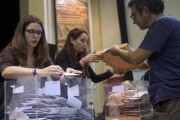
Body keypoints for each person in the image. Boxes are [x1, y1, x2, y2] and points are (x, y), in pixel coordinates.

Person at [106, 0, 180, 119]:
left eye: (133, 16)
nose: (134, 21)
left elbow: (135, 58)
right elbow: (168, 60)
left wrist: (116, 51)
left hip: (171, 98)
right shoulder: (171, 23)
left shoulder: (162, 23)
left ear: (146, 11)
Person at [0, 15, 81, 120]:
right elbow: (6, 71)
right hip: (12, 112)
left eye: (39, 32)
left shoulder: (43, 56)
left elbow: (58, 78)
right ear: (22, 33)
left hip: (35, 111)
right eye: (31, 31)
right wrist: (37, 71)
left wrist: (67, 75)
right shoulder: (11, 52)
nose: (35, 36)